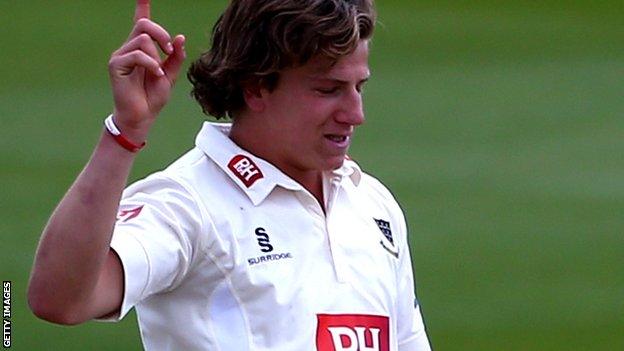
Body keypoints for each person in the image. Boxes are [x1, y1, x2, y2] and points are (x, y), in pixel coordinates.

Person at [28, 0, 431, 349]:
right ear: (256, 88)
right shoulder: (186, 203)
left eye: (359, 87)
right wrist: (124, 133)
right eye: (328, 90)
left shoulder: (373, 205)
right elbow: (59, 300)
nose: (355, 114)